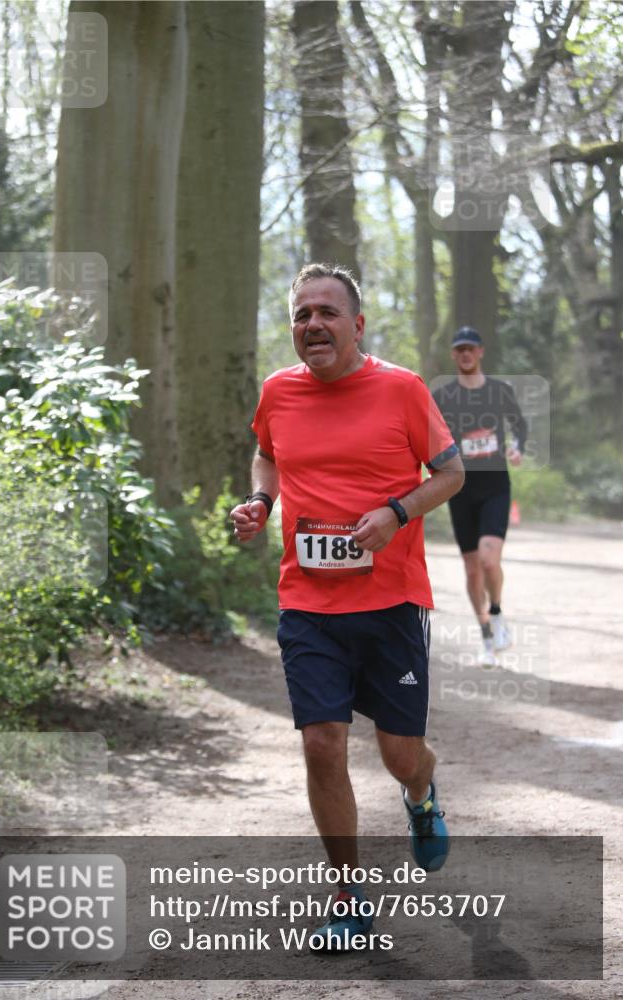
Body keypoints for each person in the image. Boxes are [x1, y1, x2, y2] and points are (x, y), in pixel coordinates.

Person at [230, 263, 464, 950]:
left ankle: (421, 794)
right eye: (302, 314)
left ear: (356, 325)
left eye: (327, 312)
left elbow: (450, 472)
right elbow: (266, 456)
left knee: (399, 756)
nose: (312, 324)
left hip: (390, 603)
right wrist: (260, 501)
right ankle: (348, 897)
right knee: (321, 743)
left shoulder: (400, 390)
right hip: (307, 602)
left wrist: (396, 512)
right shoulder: (278, 391)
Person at [432, 327, 528, 667]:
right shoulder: (443, 396)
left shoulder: (500, 391)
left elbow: (520, 425)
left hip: (495, 485)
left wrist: (516, 447)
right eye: (460, 350)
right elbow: (433, 435)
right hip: (460, 489)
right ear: (454, 355)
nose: (465, 354)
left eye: (471, 348)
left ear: (481, 351)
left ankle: (497, 613)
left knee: (489, 560)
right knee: (472, 570)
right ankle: (487, 637)